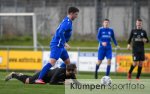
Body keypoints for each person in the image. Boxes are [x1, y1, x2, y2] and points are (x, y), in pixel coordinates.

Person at [35, 7, 79, 84]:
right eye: (76, 14)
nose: (76, 16)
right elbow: (60, 32)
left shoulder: (68, 21)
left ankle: (69, 79)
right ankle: (39, 79)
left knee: (68, 63)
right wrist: (65, 42)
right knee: (51, 63)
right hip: (57, 45)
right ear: (71, 13)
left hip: (61, 46)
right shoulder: (67, 22)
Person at [5, 64, 77, 85]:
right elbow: (52, 82)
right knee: (27, 81)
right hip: (43, 75)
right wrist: (63, 83)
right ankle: (13, 75)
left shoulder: (72, 74)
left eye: (74, 72)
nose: (73, 73)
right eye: (72, 72)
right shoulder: (60, 71)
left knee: (30, 78)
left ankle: (21, 75)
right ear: (68, 70)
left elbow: (77, 83)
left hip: (46, 80)